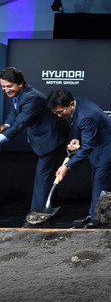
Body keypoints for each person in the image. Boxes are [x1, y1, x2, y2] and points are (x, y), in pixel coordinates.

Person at [0, 67, 68, 227]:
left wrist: (3, 136)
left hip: (51, 139)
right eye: (3, 86)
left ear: (21, 83)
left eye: (9, 86)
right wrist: (6, 125)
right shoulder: (19, 94)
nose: (6, 90)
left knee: (42, 176)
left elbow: (20, 123)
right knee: (47, 175)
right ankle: (48, 206)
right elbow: (14, 113)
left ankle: (37, 216)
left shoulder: (32, 98)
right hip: (41, 137)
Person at [47, 89, 111, 228]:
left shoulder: (86, 115)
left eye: (60, 112)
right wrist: (76, 137)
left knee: (100, 181)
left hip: (108, 144)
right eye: (55, 113)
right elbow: (76, 123)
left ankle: (96, 220)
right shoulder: (77, 104)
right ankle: (94, 214)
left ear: (70, 104)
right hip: (98, 144)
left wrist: (67, 166)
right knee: (96, 179)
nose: (58, 116)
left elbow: (87, 146)